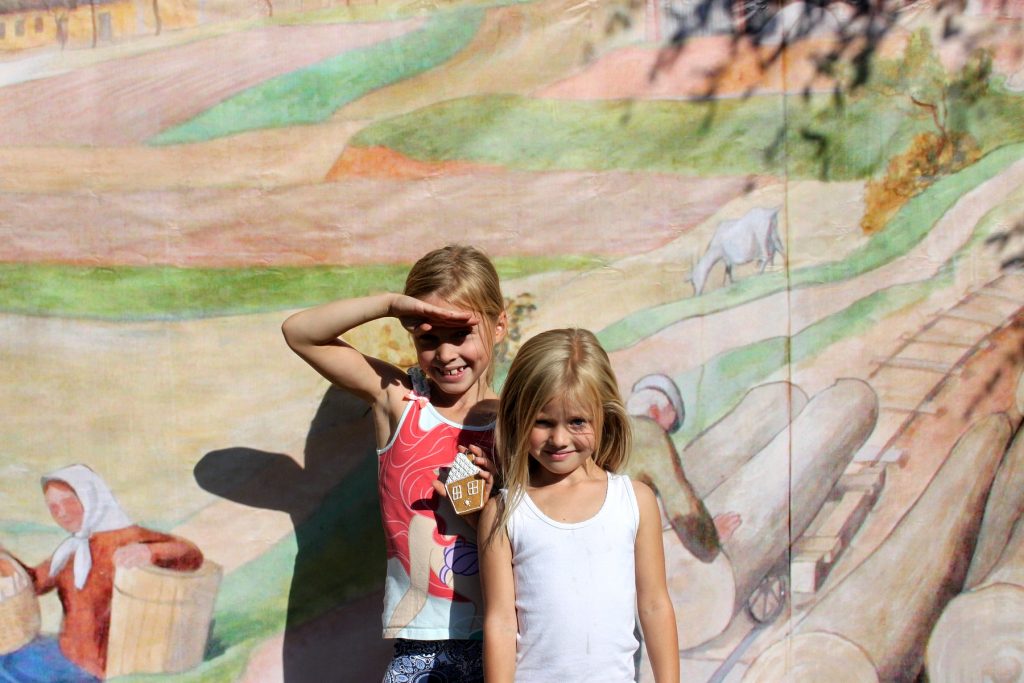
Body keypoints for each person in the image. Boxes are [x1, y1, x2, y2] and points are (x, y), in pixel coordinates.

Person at [281, 244, 508, 682]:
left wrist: (488, 509)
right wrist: (389, 305)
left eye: (460, 334)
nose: (445, 354)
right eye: (428, 338)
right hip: (420, 644)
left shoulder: (521, 424)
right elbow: (300, 333)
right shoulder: (400, 401)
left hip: (506, 643)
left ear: (498, 326)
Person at [478, 329, 679, 682]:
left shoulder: (635, 502)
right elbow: (501, 622)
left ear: (604, 416)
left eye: (577, 422)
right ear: (518, 417)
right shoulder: (504, 513)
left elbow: (654, 605)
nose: (559, 439)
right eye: (542, 422)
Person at [0, 464, 203, 681]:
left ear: (91, 497)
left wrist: (149, 551)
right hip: (64, 654)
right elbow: (34, 583)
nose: (62, 513)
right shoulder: (71, 549)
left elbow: (191, 554)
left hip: (96, 669)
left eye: (69, 501)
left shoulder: (127, 536)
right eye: (54, 507)